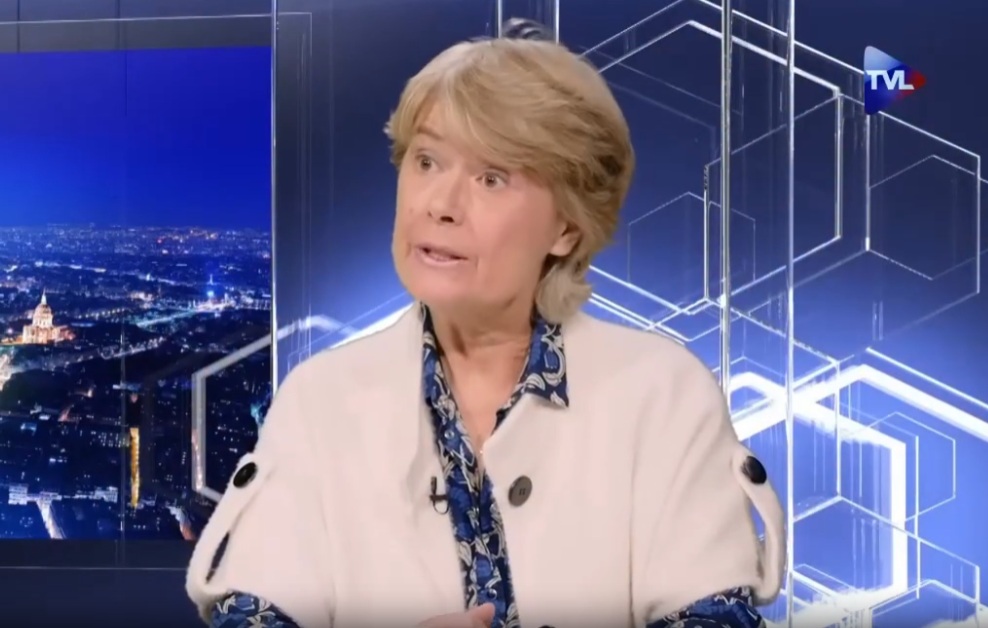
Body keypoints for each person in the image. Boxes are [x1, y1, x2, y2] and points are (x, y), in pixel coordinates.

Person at [186, 20, 786, 628]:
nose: (440, 205)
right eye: (426, 161)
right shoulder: (317, 403)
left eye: (491, 178)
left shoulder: (664, 395)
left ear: (566, 227)